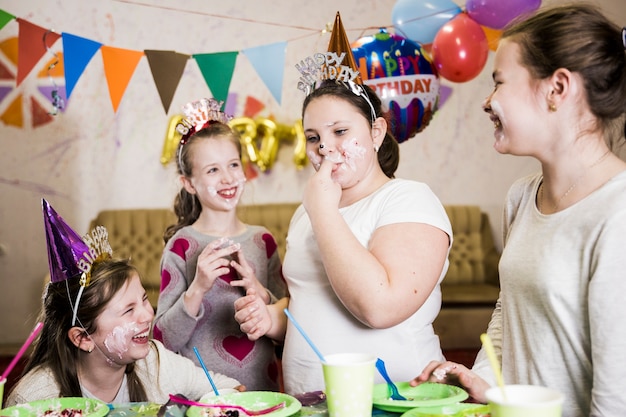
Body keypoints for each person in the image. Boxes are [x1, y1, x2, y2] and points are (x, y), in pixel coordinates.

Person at [412, 4, 626, 417]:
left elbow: (616, 398)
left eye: (499, 82)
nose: (487, 102)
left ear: (557, 88)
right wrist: (483, 381)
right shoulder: (522, 196)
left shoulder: (617, 212)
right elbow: (508, 311)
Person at [234, 78, 453, 394]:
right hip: (310, 400)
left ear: (376, 133)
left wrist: (323, 211)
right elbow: (311, 306)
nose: (324, 147)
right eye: (313, 137)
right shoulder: (305, 213)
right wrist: (272, 318)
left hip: (395, 399)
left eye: (339, 132)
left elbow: (379, 308)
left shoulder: (409, 199)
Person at [6, 200, 242, 406]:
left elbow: (232, 390)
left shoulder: (156, 363)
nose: (148, 315)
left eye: (144, 300)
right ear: (82, 338)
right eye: (129, 310)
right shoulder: (34, 399)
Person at [153, 98, 287, 391]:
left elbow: (288, 325)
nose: (227, 178)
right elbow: (162, 340)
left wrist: (259, 291)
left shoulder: (262, 240)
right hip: (203, 399)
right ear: (189, 183)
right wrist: (198, 287)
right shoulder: (182, 246)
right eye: (212, 170)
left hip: (264, 395)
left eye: (233, 165)